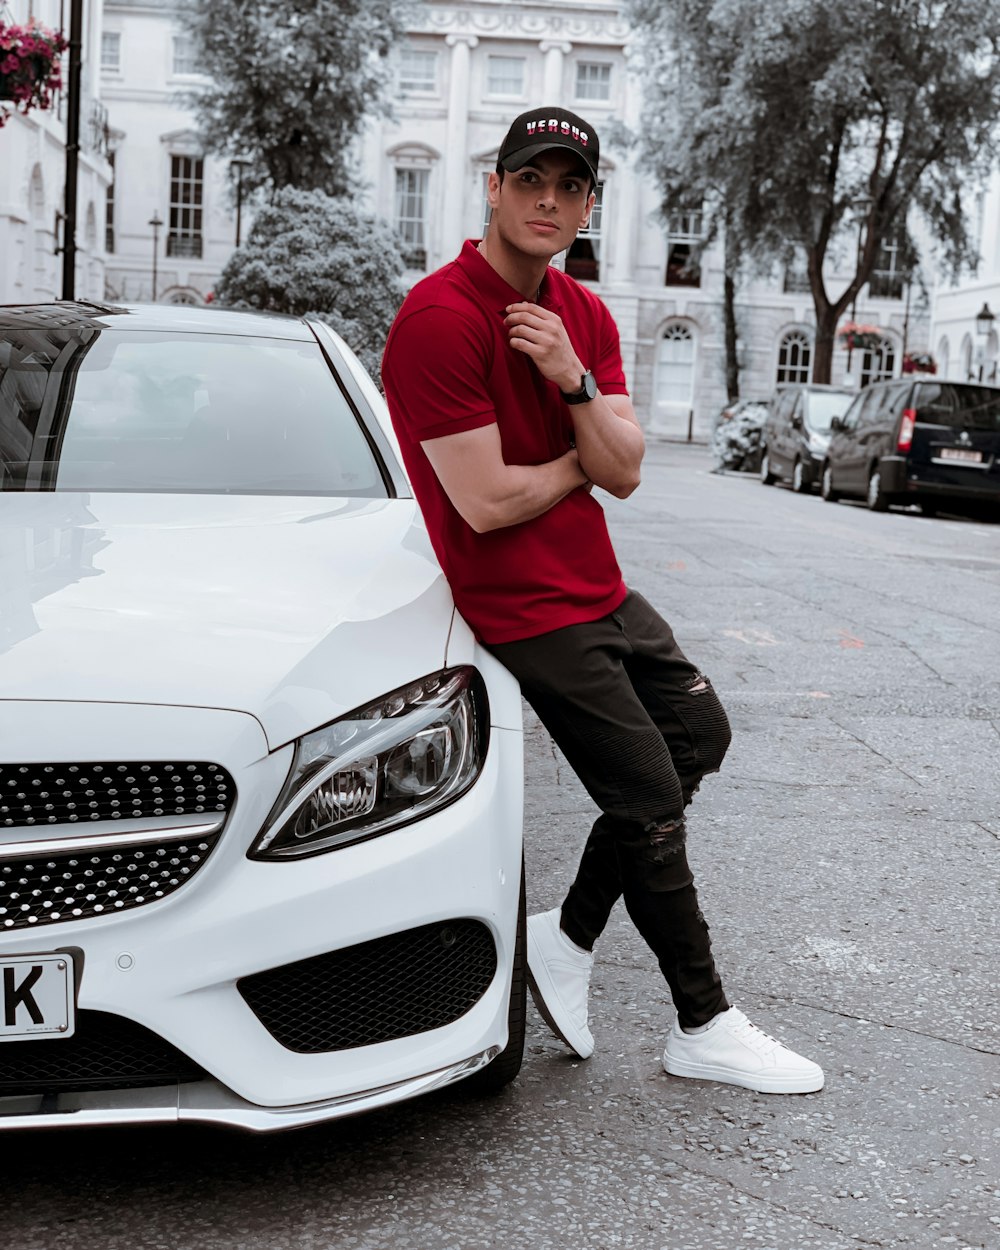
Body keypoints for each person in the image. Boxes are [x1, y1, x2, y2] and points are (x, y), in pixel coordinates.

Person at [381, 106, 823, 1094]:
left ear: (587, 204)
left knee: (698, 733)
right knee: (648, 795)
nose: (547, 200)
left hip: (595, 585)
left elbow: (623, 471)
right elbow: (489, 505)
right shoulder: (439, 319)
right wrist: (579, 462)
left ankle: (569, 935)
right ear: (491, 188)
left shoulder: (580, 315)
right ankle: (701, 1022)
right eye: (529, 180)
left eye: (569, 186)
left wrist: (571, 382)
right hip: (520, 605)